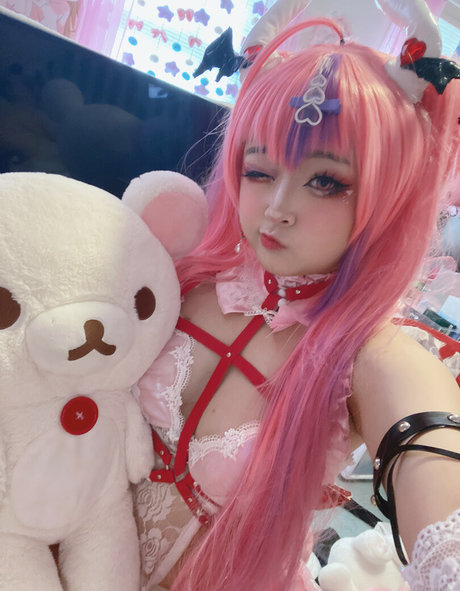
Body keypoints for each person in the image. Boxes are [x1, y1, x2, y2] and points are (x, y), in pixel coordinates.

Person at [132, 1, 460, 589]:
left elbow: (432, 452)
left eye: (326, 181)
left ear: (389, 195)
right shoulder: (179, 277)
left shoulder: (365, 354)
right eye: (259, 171)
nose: (278, 208)